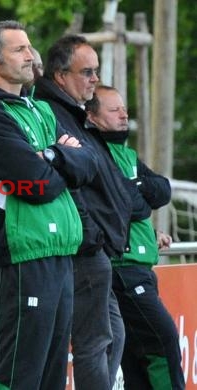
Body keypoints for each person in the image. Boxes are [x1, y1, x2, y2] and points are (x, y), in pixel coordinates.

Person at [0, 21, 97, 389]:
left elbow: (90, 164)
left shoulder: (42, 111)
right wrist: (65, 157)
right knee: (16, 376)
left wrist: (51, 155)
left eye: (29, 47)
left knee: (49, 377)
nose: (30, 55)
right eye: (19, 49)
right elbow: (38, 184)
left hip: (60, 253)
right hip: (22, 259)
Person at [34, 34, 149, 389]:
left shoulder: (75, 115)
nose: (95, 80)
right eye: (87, 72)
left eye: (96, 71)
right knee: (94, 341)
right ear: (60, 76)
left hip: (96, 247)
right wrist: (90, 236)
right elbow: (68, 184)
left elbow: (143, 188)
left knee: (111, 334)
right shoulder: (55, 114)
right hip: (86, 249)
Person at [85, 85, 184, 389]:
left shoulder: (126, 154)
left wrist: (137, 189)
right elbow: (131, 205)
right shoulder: (95, 152)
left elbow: (161, 190)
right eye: (114, 110)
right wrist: (138, 194)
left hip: (140, 266)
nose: (124, 114)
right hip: (123, 269)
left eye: (124, 108)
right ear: (92, 117)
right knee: (164, 340)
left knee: (136, 355)